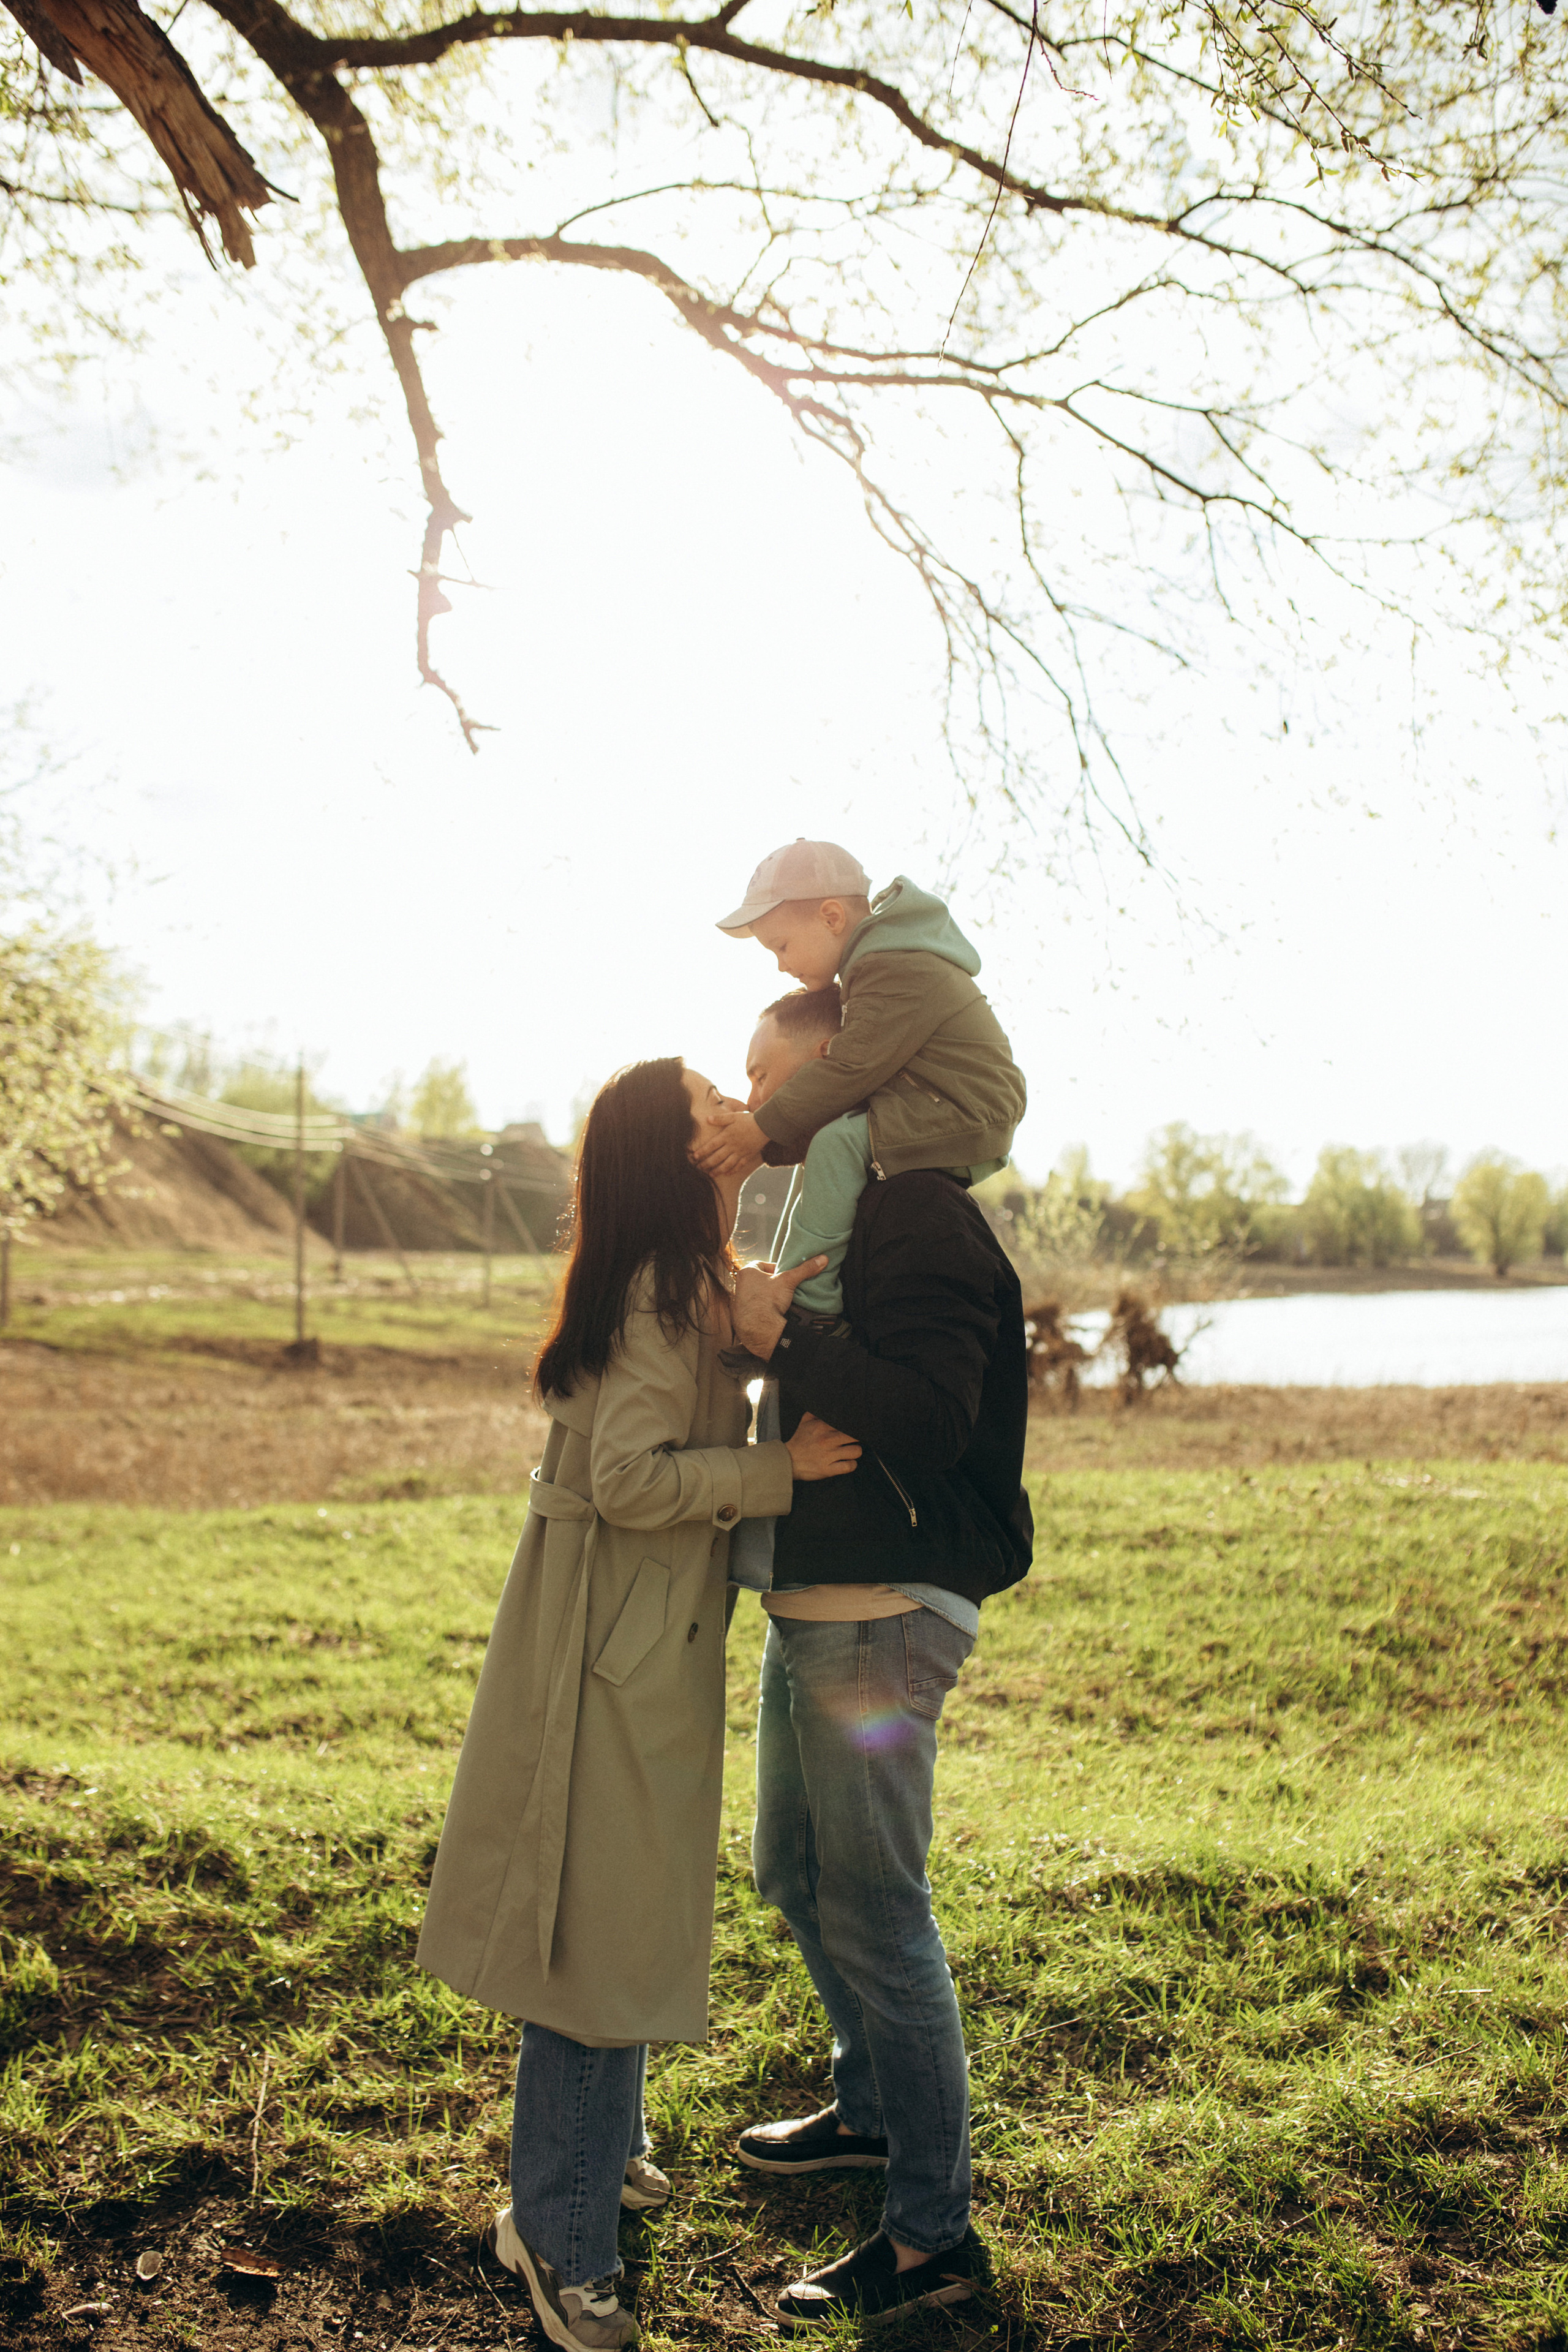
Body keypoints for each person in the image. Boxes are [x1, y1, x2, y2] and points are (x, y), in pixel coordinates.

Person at [416, 1058, 860, 2352]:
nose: (731, 1116)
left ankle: (584, 2170)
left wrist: (758, 1309)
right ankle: (561, 2245)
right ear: (660, 1163)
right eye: (705, 1111)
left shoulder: (673, 1285)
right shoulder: (654, 1298)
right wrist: (778, 1469)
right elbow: (626, 1477)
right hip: (607, 1646)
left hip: (628, 1638)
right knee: (592, 1952)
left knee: (612, 1924)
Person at [720, 989, 1035, 2331]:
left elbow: (931, 1414)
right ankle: (865, 2113)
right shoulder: (827, 1217)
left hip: (881, 1619)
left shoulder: (918, 1212)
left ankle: (929, 2241)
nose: (753, 1105)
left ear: (843, 1079)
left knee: (880, 1912)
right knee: (793, 1875)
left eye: (764, 1075)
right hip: (815, 1612)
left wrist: (780, 1337)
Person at [702, 837, 1027, 1321]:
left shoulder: (888, 965)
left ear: (832, 918)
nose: (780, 964)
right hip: (939, 1100)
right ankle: (804, 1271)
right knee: (833, 1141)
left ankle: (809, 1304)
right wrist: (764, 1146)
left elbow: (849, 1071)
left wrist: (760, 1128)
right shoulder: (881, 959)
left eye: (782, 945)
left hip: (968, 1105)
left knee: (836, 1145)